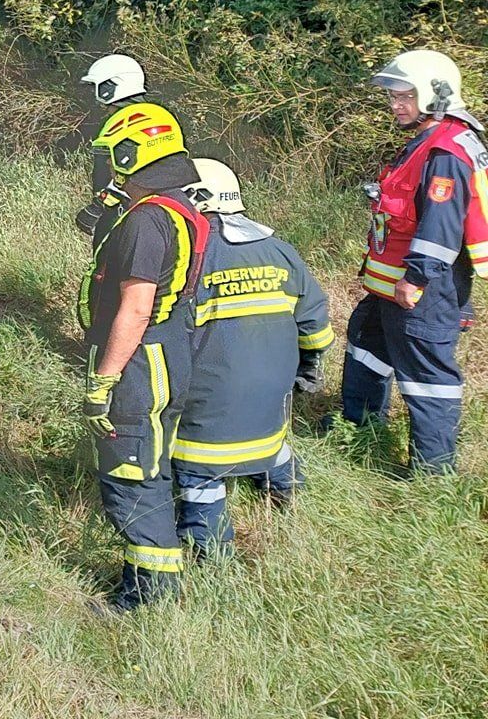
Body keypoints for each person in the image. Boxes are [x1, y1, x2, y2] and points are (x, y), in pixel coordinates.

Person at [79, 104, 208, 609]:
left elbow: (134, 309)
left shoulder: (147, 222)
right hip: (168, 351)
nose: (107, 168)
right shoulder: (178, 210)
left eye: (113, 157)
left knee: (132, 474)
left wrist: (103, 380)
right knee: (149, 467)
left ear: (133, 154)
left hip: (139, 365)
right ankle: (144, 581)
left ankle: (149, 597)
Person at [172, 158, 333, 553]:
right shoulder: (280, 251)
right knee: (272, 446)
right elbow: (316, 326)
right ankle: (290, 497)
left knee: (199, 473)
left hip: (208, 407)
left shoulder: (186, 257)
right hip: (271, 400)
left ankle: (212, 556)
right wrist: (307, 371)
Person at [338, 50, 486, 475]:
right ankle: (360, 428)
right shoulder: (427, 141)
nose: (395, 105)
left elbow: (440, 231)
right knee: (365, 344)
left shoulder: (445, 152)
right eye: (392, 96)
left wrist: (414, 280)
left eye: (404, 96)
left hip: (423, 289)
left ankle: (432, 473)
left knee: (427, 377)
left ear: (435, 94)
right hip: (391, 285)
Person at [76, 54, 181, 240]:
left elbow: (117, 173)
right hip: (174, 206)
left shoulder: (123, 122)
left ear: (110, 87)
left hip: (127, 212)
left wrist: (97, 209)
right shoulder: (159, 115)